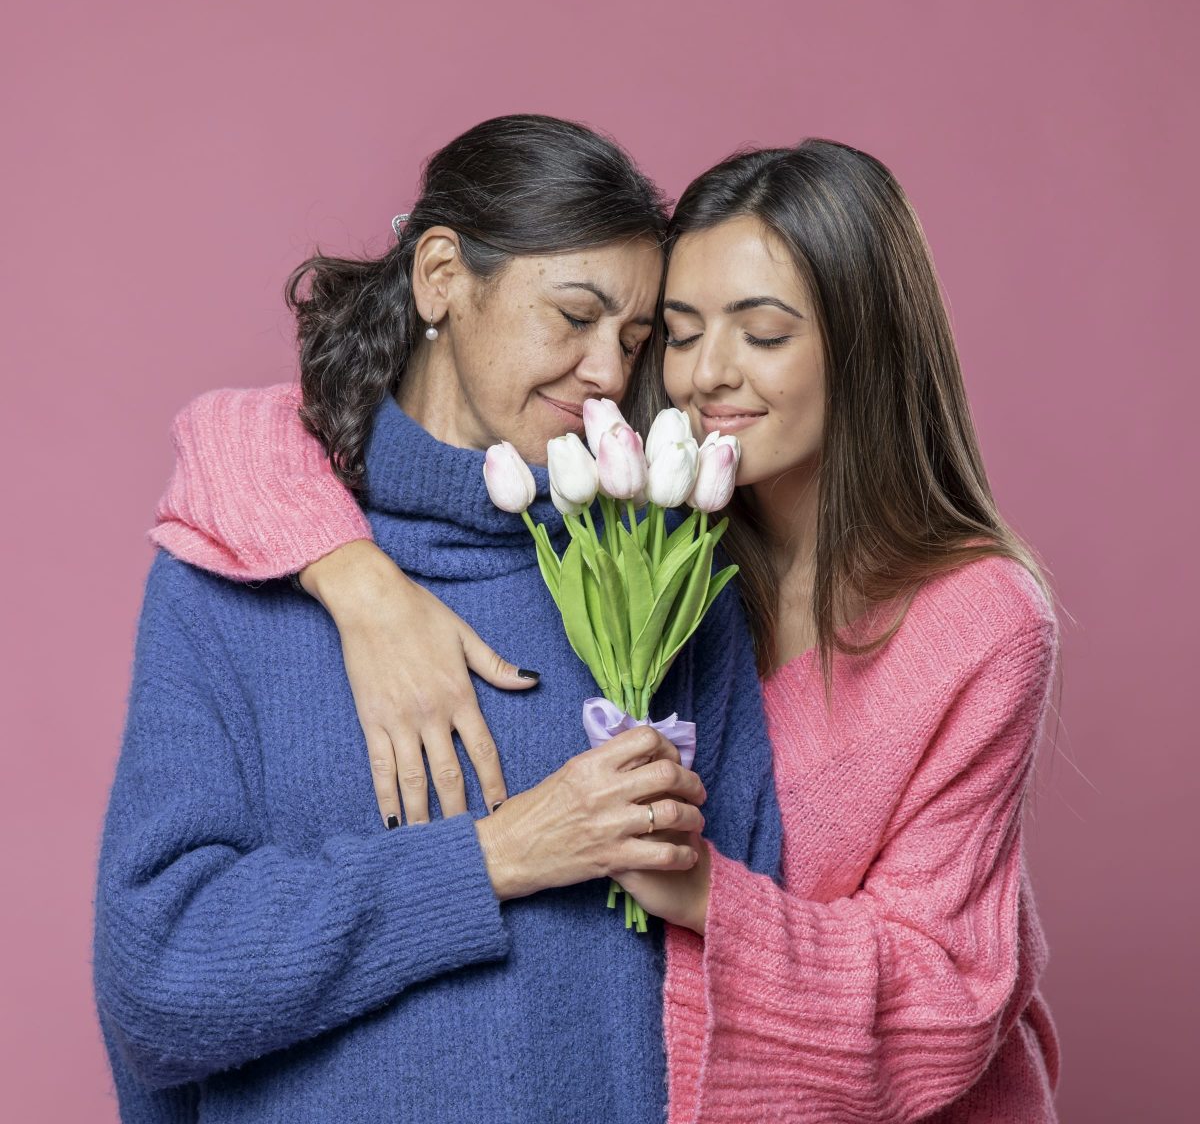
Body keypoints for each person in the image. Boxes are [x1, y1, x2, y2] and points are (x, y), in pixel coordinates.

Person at [149, 140, 1062, 1121]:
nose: (707, 374)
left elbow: (950, 1003)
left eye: (762, 334)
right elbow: (246, 432)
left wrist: (706, 893)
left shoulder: (979, 621)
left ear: (864, 346)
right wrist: (359, 579)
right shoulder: (656, 523)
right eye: (676, 331)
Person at [92, 114, 783, 1124]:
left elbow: (754, 979)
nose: (606, 372)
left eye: (635, 341)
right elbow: (156, 979)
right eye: (574, 316)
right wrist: (497, 857)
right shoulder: (236, 578)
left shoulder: (669, 581)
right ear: (441, 276)